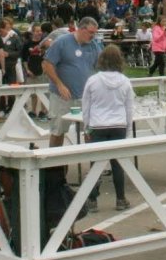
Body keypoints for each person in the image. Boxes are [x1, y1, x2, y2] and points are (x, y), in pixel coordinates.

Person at [81, 44, 136, 212]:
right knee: (117, 163)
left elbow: (86, 106)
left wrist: (87, 128)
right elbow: (129, 108)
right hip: (118, 124)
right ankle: (120, 198)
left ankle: (92, 200)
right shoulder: (125, 82)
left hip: (98, 124)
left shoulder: (93, 80)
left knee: (96, 163)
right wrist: (127, 129)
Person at [42, 17, 103, 148]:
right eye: (91, 32)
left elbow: (102, 66)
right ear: (81, 29)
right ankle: (55, 166)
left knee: (90, 132)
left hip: (85, 97)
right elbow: (47, 65)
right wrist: (59, 84)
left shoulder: (94, 46)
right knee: (58, 131)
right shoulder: (62, 42)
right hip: (62, 96)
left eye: (95, 33)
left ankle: (95, 166)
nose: (93, 36)